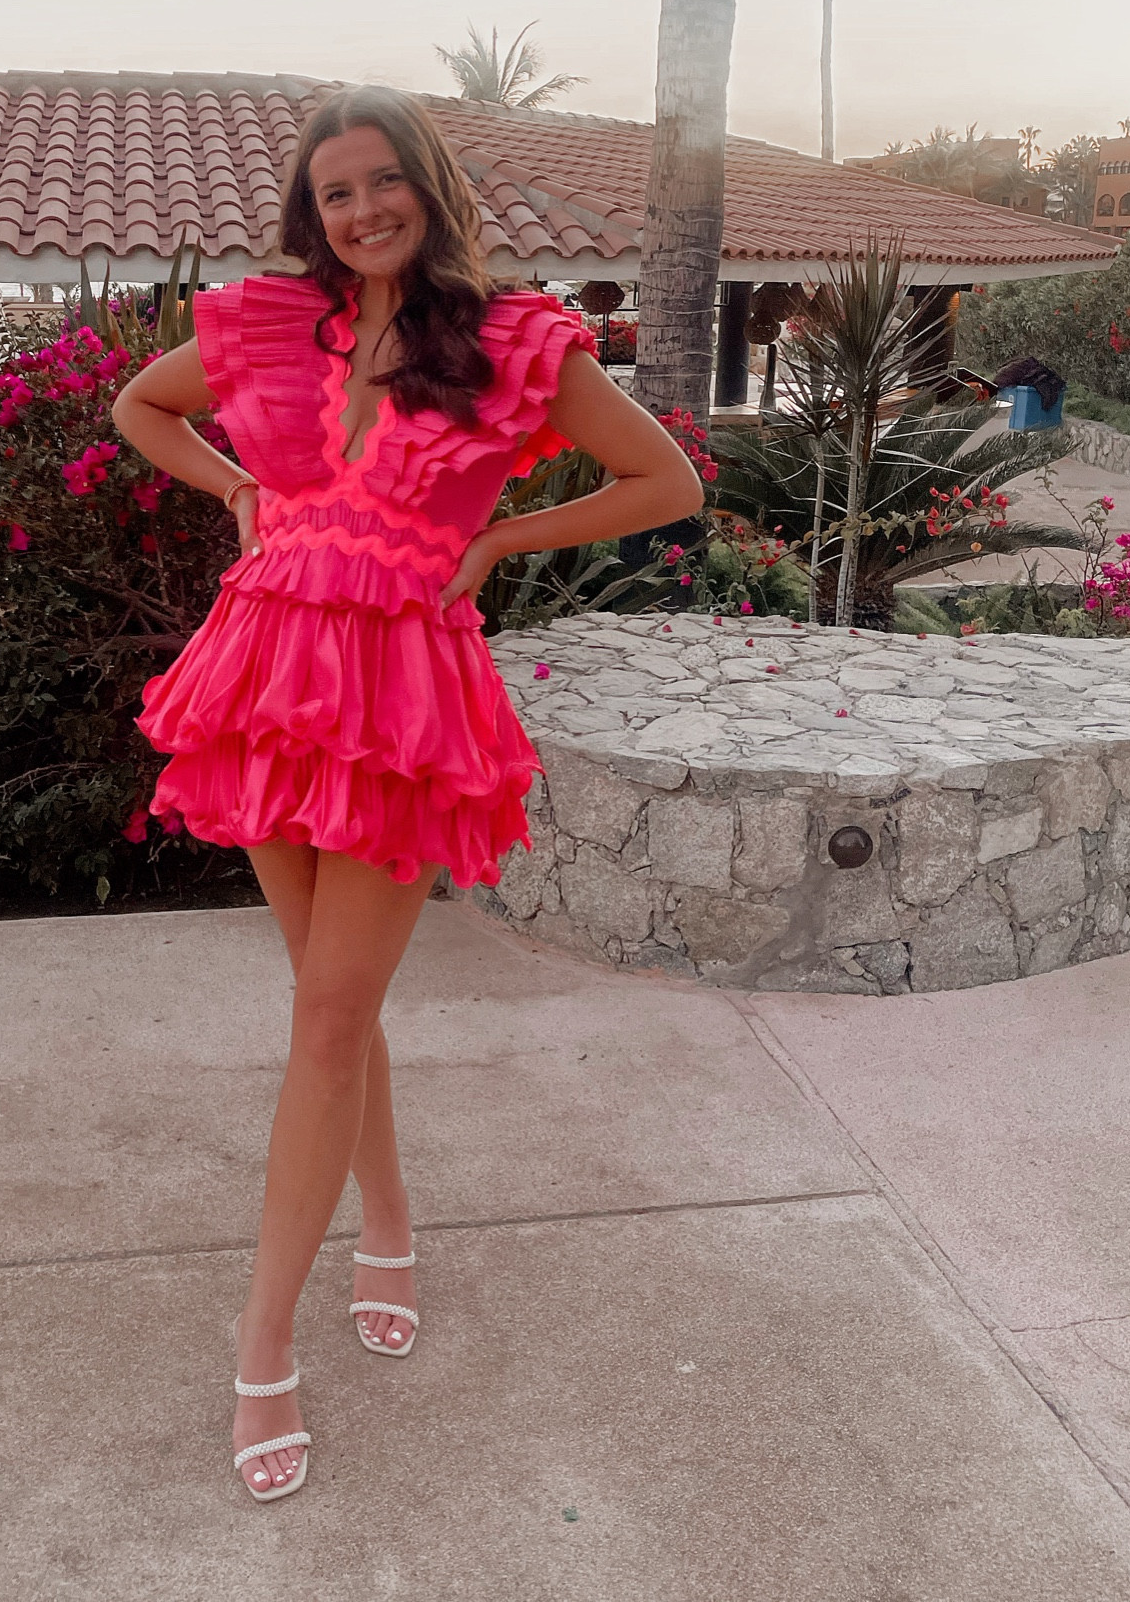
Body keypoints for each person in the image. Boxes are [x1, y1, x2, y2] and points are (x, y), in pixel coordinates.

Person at [110, 84, 704, 1501]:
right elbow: (139, 406)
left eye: (381, 184)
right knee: (331, 993)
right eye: (333, 194)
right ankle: (384, 1219)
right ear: (309, 213)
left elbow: (663, 479)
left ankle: (260, 1345)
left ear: (427, 188)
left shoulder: (511, 342)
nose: (360, 211)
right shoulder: (274, 323)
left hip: (397, 693)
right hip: (262, 669)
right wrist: (236, 493)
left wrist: (498, 539)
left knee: (325, 1013)